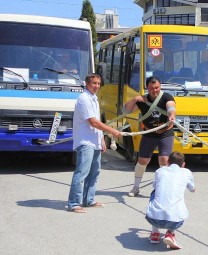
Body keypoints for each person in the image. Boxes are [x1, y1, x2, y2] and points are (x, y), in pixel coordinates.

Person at [67, 73, 122, 213]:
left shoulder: (94, 98)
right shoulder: (83, 99)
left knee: (94, 173)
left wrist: (102, 139)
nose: (97, 86)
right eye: (94, 83)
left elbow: (96, 121)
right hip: (85, 142)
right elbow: (92, 121)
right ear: (87, 83)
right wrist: (111, 131)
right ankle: (73, 203)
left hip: (94, 141)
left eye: (98, 83)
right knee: (82, 173)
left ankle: (88, 200)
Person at [123, 76, 176, 197]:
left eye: (157, 87)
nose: (155, 90)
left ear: (160, 86)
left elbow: (171, 106)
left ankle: (162, 188)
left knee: (164, 160)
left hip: (165, 133)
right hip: (149, 133)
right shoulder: (143, 99)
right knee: (143, 161)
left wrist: (172, 114)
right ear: (147, 88)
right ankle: (136, 187)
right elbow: (126, 110)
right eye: (152, 88)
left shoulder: (167, 97)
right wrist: (135, 99)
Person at [145, 152, 195, 250]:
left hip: (154, 219)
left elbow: (155, 186)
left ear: (167, 162)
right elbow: (192, 189)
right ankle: (170, 233)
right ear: (183, 164)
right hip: (175, 221)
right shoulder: (186, 172)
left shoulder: (160, 171)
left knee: (154, 194)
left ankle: (155, 233)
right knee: (176, 202)